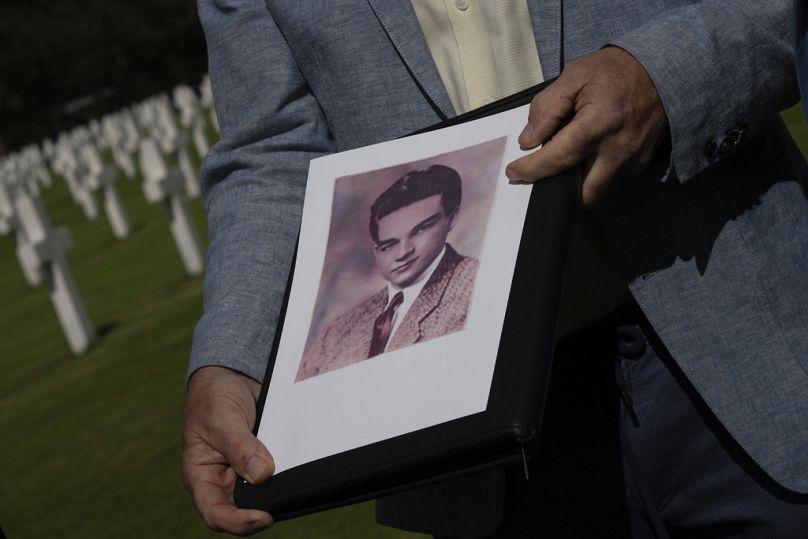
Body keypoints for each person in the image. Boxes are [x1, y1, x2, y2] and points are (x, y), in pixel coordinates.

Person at [182, 1, 808, 536]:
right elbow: (271, 151)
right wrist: (231, 357)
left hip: (742, 343)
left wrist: (664, 78)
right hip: (468, 450)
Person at [296, 165, 479, 382]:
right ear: (376, 250)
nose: (403, 253)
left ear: (452, 218)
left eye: (421, 230)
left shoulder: (475, 287)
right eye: (388, 245)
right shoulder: (335, 333)